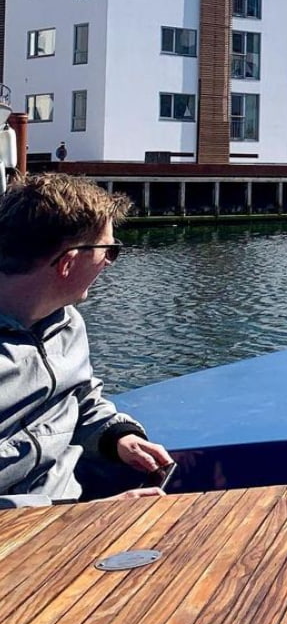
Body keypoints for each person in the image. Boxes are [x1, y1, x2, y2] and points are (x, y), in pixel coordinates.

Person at [0, 173, 172, 508]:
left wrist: (117, 436)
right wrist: (79, 518)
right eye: (109, 250)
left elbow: (79, 400)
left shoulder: (65, 323)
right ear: (67, 262)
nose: (109, 263)